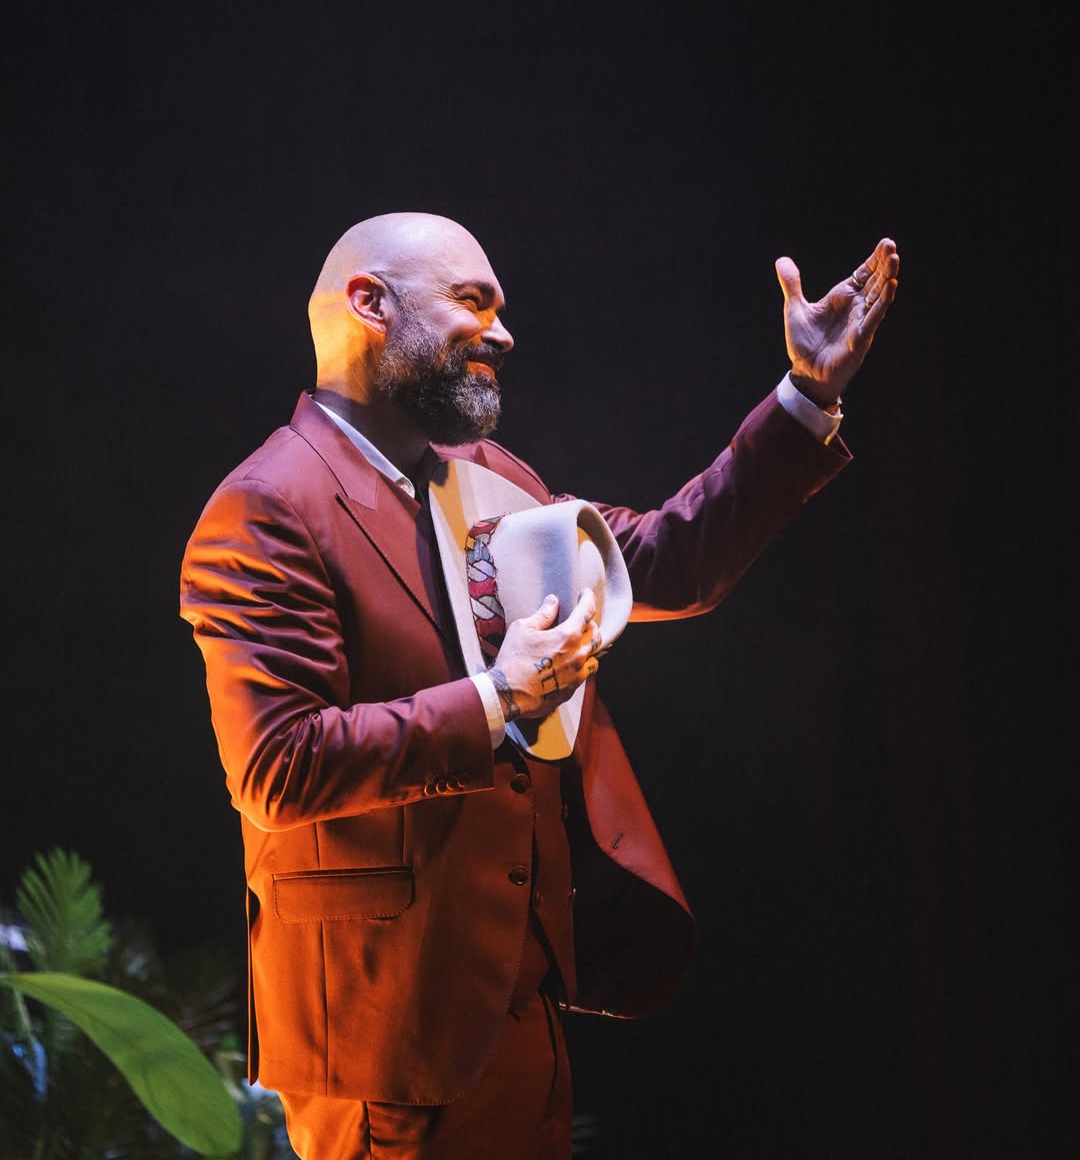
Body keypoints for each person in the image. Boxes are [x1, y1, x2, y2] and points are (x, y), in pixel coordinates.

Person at [179, 212, 899, 1160]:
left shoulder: (489, 476)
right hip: (388, 1030)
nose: (505, 332)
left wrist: (806, 397)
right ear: (370, 304)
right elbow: (278, 767)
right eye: (472, 302)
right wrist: (498, 699)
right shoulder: (268, 506)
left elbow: (666, 561)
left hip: (522, 1002)